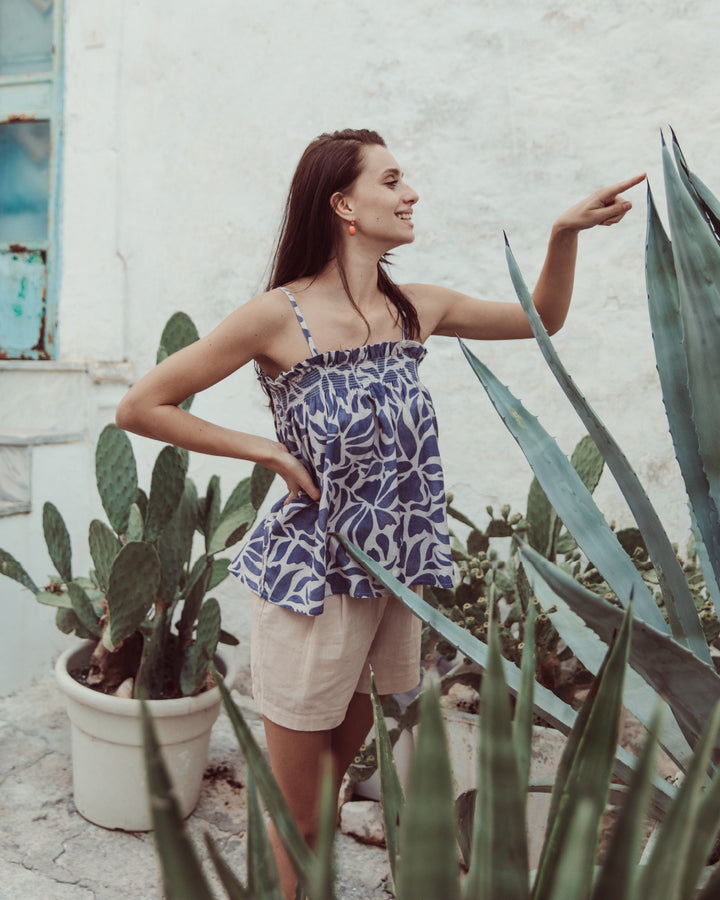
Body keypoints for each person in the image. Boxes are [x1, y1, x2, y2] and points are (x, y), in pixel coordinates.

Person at [115, 128, 643, 897]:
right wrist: (267, 453)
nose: (411, 193)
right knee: (295, 812)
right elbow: (140, 406)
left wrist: (562, 234)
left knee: (324, 798)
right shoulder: (275, 316)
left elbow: (543, 319)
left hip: (390, 584)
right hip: (311, 586)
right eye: (392, 180)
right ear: (344, 204)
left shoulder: (413, 308)